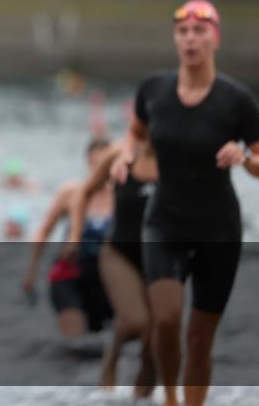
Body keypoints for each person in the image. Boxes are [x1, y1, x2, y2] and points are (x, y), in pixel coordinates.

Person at [110, 0, 259, 406]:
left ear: (214, 38)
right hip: (164, 223)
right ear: (175, 39)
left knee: (200, 339)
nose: (190, 39)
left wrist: (245, 158)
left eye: (199, 31)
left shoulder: (237, 100)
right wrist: (126, 152)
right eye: (182, 31)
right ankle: (169, 398)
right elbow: (135, 131)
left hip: (219, 229)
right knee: (165, 319)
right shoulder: (154, 89)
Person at [69, 138, 159, 397]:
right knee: (136, 322)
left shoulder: (179, 154)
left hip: (161, 255)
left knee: (156, 337)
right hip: (119, 251)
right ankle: (114, 349)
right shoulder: (120, 153)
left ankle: (144, 395)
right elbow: (85, 191)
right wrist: (75, 238)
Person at [22, 137, 114, 338]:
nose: (99, 172)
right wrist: (31, 272)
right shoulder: (71, 192)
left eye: (105, 164)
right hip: (69, 276)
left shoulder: (121, 197)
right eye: (95, 164)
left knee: (98, 343)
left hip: (107, 281)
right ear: (88, 162)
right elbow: (44, 231)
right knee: (74, 342)